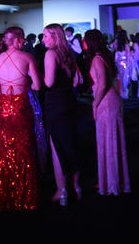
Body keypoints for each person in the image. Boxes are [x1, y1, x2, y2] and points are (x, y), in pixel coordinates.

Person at [0, 26, 42, 212]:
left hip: (4, 106)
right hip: (21, 106)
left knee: (5, 151)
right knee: (24, 149)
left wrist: (6, 102)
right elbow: (37, 85)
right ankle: (25, 197)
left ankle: (6, 196)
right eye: (21, 39)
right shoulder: (27, 58)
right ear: (18, 40)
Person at [83, 29, 131, 196]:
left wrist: (94, 104)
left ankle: (111, 183)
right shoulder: (105, 55)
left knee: (108, 142)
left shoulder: (97, 59)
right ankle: (114, 181)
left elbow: (102, 84)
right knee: (112, 141)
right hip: (112, 100)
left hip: (106, 102)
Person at [42, 23, 84, 206]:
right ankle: (76, 186)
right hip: (69, 102)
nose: (43, 39)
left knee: (57, 147)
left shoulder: (50, 54)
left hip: (55, 103)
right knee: (71, 143)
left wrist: (35, 75)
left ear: (54, 37)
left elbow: (49, 83)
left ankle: (62, 190)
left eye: (45, 36)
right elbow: (79, 80)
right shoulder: (68, 53)